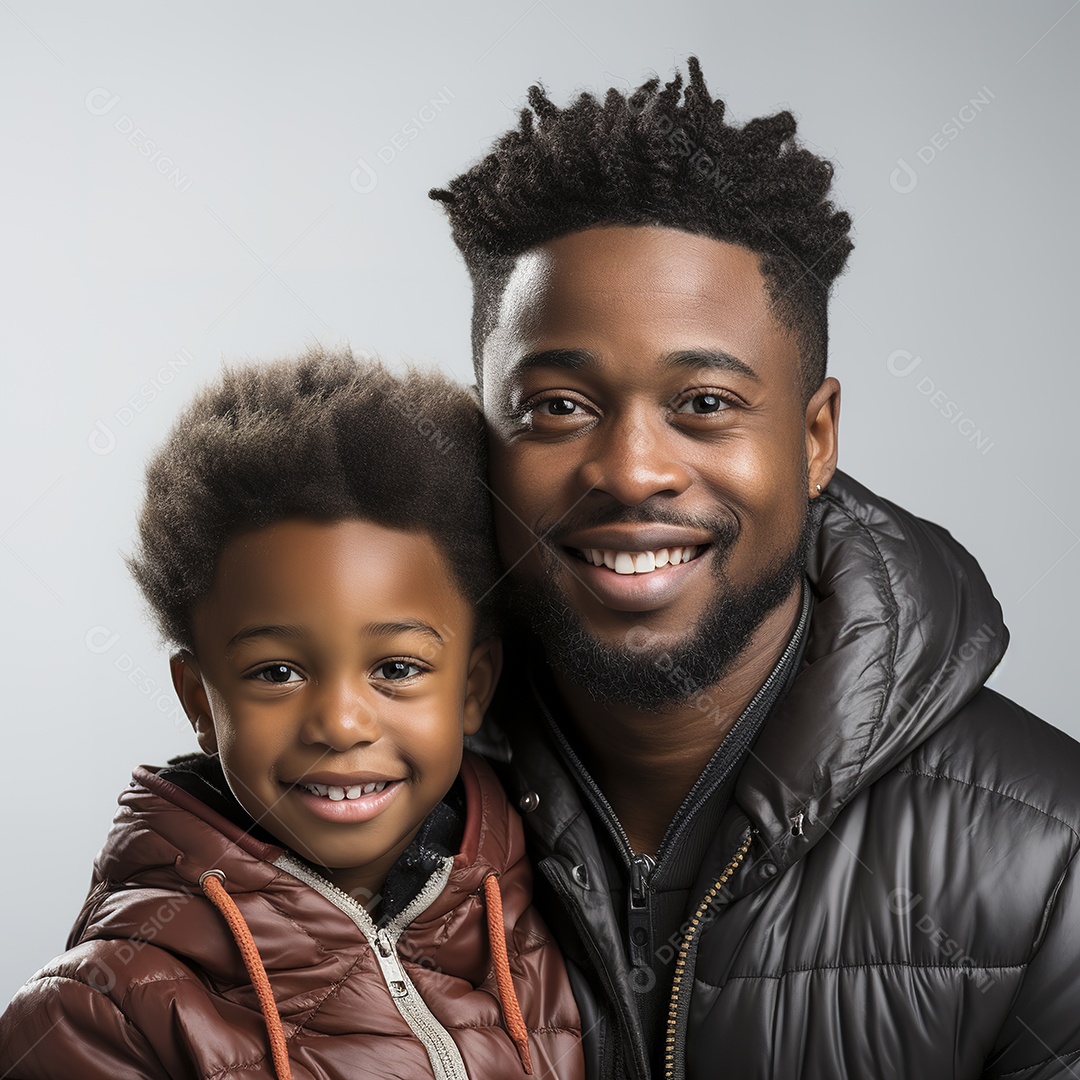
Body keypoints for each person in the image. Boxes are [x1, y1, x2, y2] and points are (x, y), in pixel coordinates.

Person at [430, 59, 1080, 1079]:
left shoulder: (1051, 868)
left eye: (705, 405)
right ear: (483, 436)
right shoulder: (337, 802)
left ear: (815, 436)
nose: (632, 471)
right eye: (558, 406)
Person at [0, 349, 584, 1080]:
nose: (340, 725)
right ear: (199, 701)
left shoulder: (553, 909)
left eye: (396, 669)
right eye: (277, 673)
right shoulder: (100, 1016)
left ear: (473, 686)